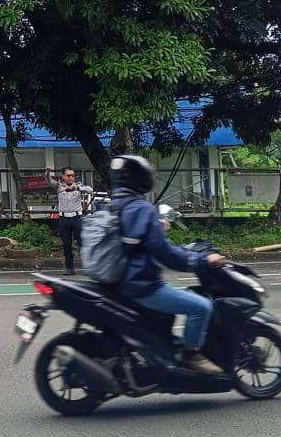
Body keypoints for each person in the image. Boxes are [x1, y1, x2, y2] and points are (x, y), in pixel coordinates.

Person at [111, 154, 227, 375]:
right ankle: (190, 354)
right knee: (201, 307)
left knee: (179, 299)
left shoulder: (113, 206)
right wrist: (202, 259)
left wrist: (155, 228)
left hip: (118, 282)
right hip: (142, 285)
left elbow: (132, 240)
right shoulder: (141, 209)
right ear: (140, 179)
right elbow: (167, 255)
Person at [55, 167, 92, 275]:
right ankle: (70, 268)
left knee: (82, 243)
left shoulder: (78, 186)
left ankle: (88, 268)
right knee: (66, 244)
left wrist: (78, 188)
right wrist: (47, 173)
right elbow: (49, 182)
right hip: (64, 218)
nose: (71, 177)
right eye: (68, 175)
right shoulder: (59, 187)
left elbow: (90, 189)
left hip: (77, 218)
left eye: (72, 175)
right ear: (63, 176)